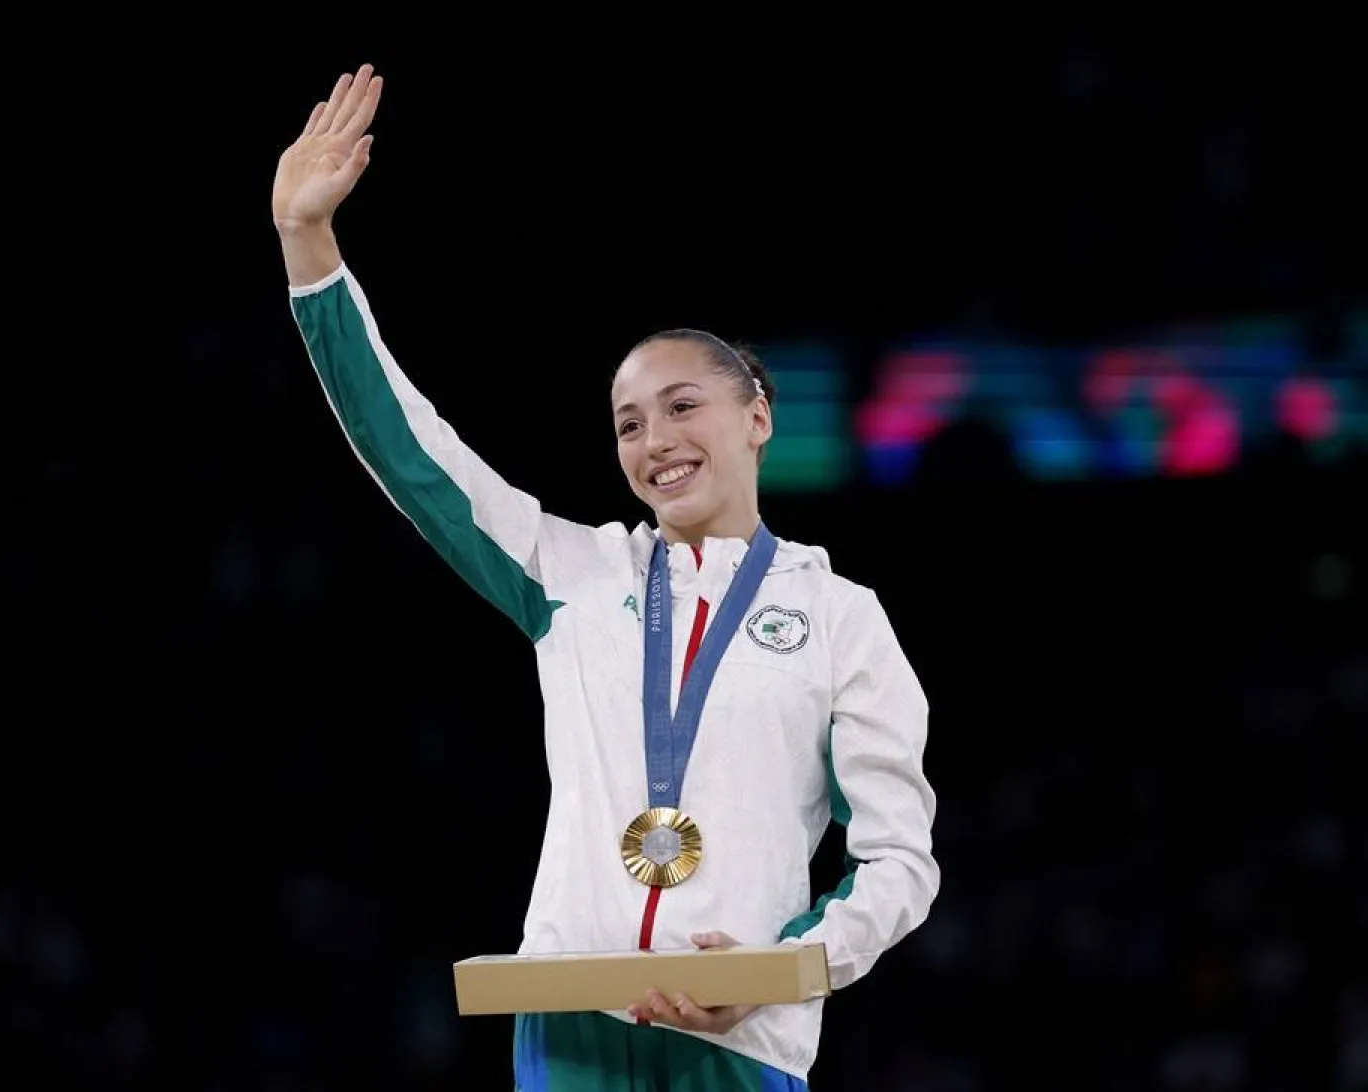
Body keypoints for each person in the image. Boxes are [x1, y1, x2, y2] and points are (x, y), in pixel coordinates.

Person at [273, 63, 940, 1091]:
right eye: (629, 422)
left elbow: (898, 861)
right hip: (566, 1027)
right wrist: (309, 252)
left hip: (737, 1042)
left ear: (756, 415)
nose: (654, 441)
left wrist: (787, 971)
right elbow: (411, 453)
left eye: (682, 407)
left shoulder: (840, 620)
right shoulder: (572, 574)